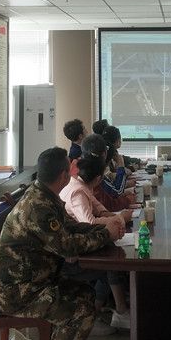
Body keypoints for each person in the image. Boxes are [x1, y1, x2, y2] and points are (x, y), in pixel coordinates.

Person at [0, 147, 124, 340]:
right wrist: (106, 235)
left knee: (87, 293)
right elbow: (67, 247)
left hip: (36, 280)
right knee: (82, 309)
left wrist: (103, 229)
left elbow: (70, 227)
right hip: (20, 292)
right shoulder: (39, 207)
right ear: (64, 175)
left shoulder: (44, 194)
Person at [59, 134, 132, 329]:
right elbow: (89, 222)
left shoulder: (81, 185)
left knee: (112, 261)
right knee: (112, 265)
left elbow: (100, 209)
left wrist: (114, 217)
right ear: (98, 178)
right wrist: (119, 219)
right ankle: (106, 314)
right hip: (71, 255)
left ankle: (109, 311)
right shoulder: (77, 191)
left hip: (81, 242)